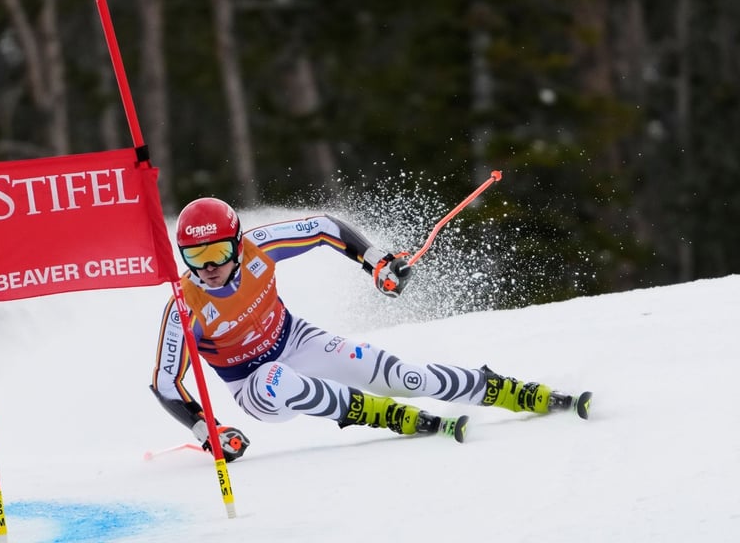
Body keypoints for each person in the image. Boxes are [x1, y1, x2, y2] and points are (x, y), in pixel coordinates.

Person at [150, 197, 562, 461]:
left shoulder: (261, 245)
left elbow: (324, 227)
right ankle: (383, 415)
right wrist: (209, 432)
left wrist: (376, 261)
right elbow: (166, 382)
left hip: (295, 339)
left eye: (218, 252)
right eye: (195, 257)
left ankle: (507, 391)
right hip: (253, 386)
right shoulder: (186, 307)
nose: (209, 267)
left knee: (403, 376)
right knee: (276, 378)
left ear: (238, 245)